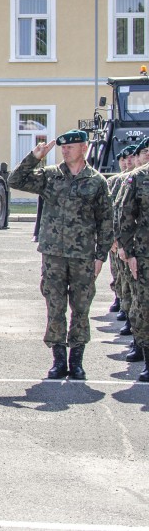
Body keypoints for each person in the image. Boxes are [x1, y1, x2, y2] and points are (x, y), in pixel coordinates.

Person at [8, 130, 112, 380]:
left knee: (81, 308)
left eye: (71, 146)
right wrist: (35, 157)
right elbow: (15, 180)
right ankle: (58, 360)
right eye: (63, 148)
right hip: (53, 254)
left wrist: (100, 256)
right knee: (55, 307)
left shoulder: (96, 181)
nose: (65, 151)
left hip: (83, 256)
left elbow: (106, 221)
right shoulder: (50, 176)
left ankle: (76, 360)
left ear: (84, 148)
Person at [114, 138, 149, 381]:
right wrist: (128, 251)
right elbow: (124, 213)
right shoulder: (139, 177)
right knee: (143, 307)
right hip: (145, 254)